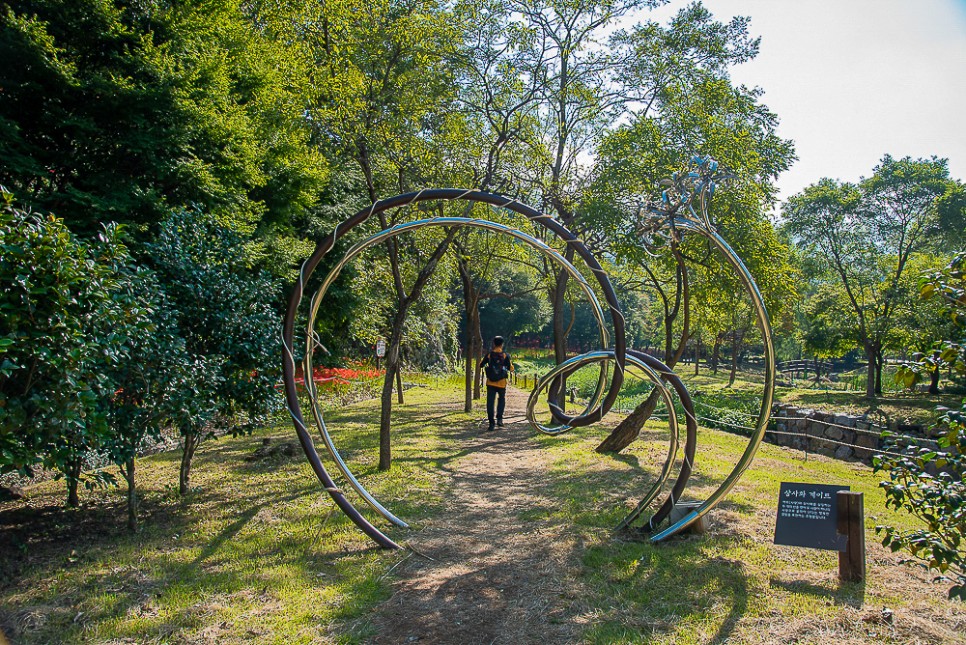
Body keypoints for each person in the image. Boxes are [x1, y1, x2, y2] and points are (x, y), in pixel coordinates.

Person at [480, 336, 514, 431]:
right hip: (502, 382)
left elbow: (481, 365)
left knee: (490, 402)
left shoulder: (489, 355)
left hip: (490, 382)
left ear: (494, 344)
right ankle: (500, 419)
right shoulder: (505, 355)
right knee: (501, 399)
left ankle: (491, 423)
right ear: (502, 344)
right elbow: (511, 369)